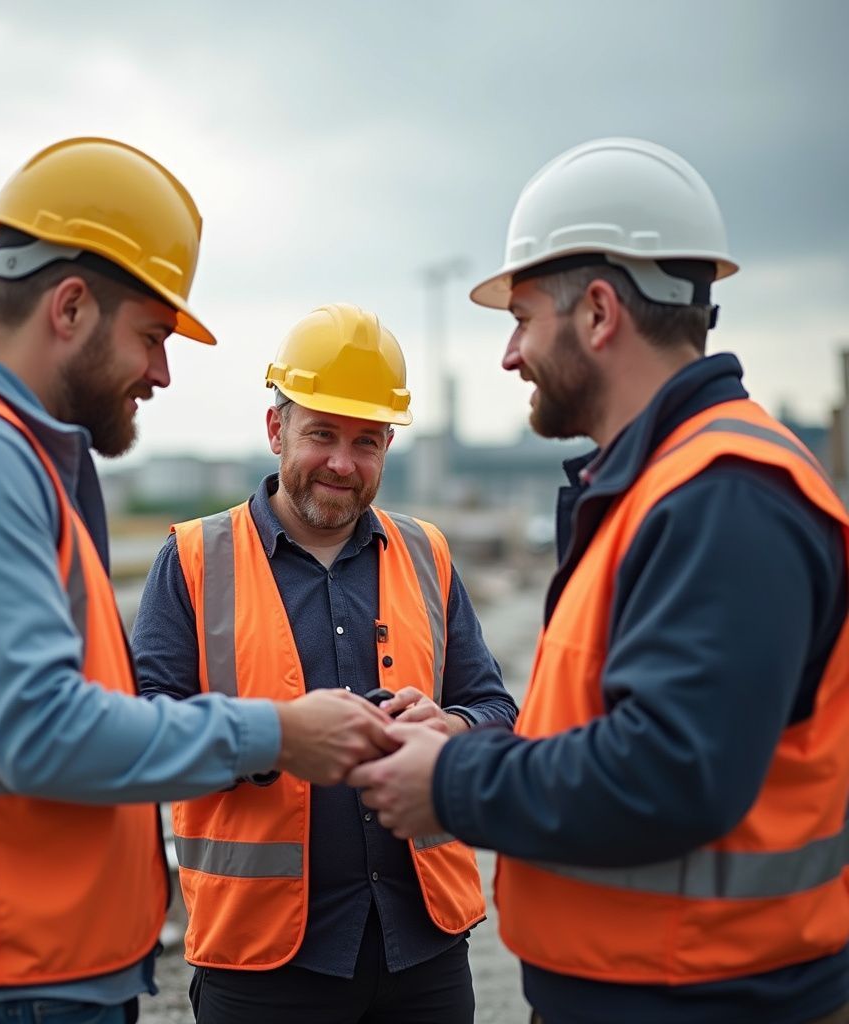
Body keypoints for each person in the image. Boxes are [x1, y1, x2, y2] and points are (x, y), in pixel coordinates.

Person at [0, 138, 394, 1024]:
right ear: (71, 307)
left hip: (9, 963)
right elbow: (41, 731)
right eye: (153, 336)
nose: (163, 372)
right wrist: (277, 733)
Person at [349, 138, 849, 1024]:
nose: (510, 355)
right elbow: (614, 726)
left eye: (523, 317)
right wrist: (464, 737)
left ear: (601, 314)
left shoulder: (723, 499)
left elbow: (671, 772)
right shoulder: (659, 488)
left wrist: (454, 778)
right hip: (658, 988)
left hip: (708, 996)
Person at [131, 302, 517, 1024]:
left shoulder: (427, 554)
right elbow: (147, 735)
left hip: (425, 949)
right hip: (264, 963)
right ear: (276, 429)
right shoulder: (191, 561)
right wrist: (276, 737)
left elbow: (496, 708)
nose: (343, 463)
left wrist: (453, 730)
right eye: (322, 435)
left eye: (367, 442)